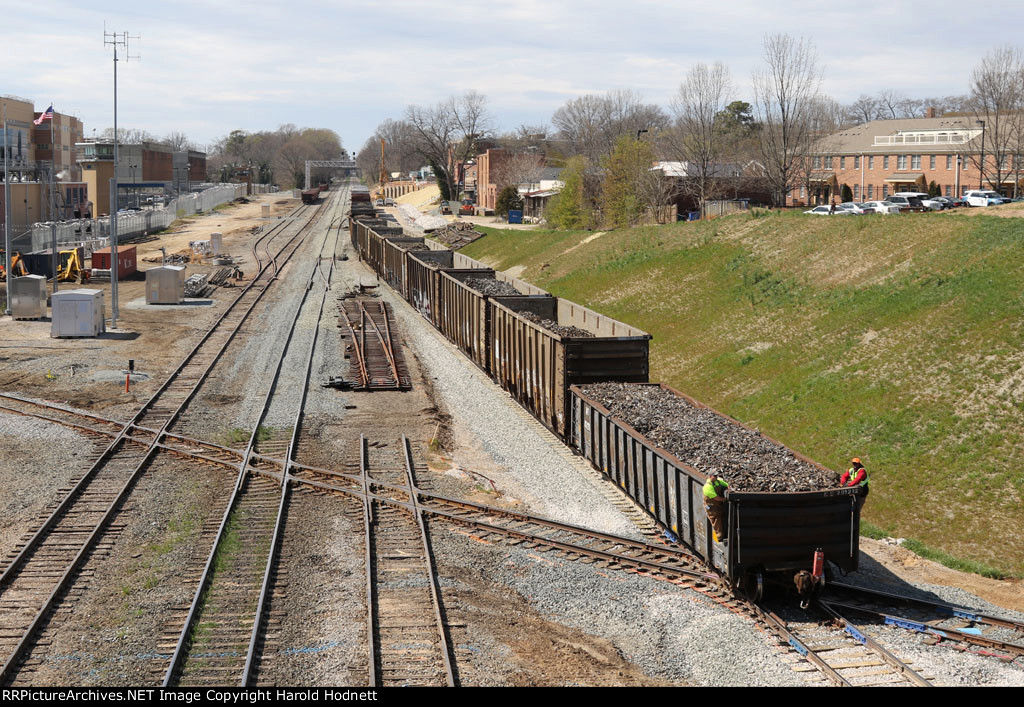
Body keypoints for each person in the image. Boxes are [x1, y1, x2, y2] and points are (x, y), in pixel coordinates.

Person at [703, 474, 729, 543]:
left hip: (718, 505)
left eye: (716, 475)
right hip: (711, 507)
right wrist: (725, 498)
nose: (716, 477)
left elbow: (726, 485)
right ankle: (719, 537)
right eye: (714, 476)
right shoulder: (707, 487)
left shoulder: (718, 482)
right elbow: (716, 498)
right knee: (716, 519)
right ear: (710, 476)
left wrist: (729, 489)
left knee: (722, 517)